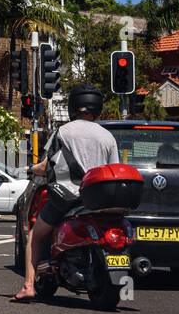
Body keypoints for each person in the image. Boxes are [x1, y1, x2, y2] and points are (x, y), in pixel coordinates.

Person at [12, 84, 119, 302]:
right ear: (97, 107)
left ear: (73, 106)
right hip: (98, 200)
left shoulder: (63, 132)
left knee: (35, 234)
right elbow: (114, 169)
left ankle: (29, 285)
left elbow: (48, 165)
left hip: (68, 197)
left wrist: (30, 169)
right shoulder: (108, 136)